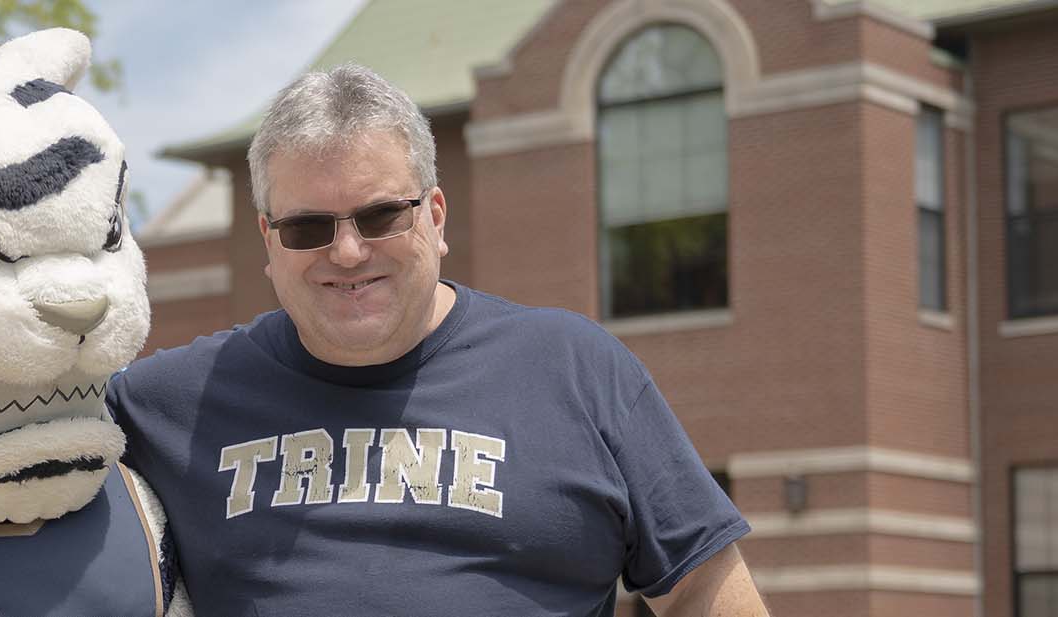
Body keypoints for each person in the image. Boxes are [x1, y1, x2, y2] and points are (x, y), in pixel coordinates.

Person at [105, 64, 768, 616]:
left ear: (436, 216)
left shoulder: (577, 371)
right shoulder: (169, 403)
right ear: (268, 243)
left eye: (381, 215)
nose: (347, 249)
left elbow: (705, 586)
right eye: (308, 227)